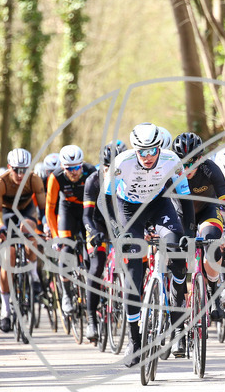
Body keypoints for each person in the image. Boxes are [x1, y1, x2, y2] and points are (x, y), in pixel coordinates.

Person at [107, 123, 194, 364]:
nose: (147, 157)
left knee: (177, 251)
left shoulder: (170, 159)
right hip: (129, 209)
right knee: (134, 272)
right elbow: (106, 199)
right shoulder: (122, 162)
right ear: (135, 150)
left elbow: (185, 197)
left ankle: (177, 327)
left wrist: (189, 230)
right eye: (142, 152)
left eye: (152, 150)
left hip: (158, 205)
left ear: (159, 147)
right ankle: (135, 342)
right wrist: (116, 229)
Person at [175, 132, 225, 324]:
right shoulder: (169, 170)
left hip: (207, 211)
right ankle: (181, 307)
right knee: (177, 259)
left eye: (191, 162)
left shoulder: (210, 169)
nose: (186, 168)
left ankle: (214, 293)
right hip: (181, 215)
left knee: (212, 242)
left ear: (200, 158)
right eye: (182, 162)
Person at [0, 148, 46, 332]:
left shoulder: (34, 179)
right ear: (9, 167)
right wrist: (0, 228)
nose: (21, 174)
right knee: (8, 256)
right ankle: (5, 311)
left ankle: (32, 273)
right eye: (17, 170)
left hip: (26, 211)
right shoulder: (0, 183)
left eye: (25, 169)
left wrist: (42, 226)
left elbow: (43, 209)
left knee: (31, 234)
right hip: (6, 214)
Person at [81, 141, 125, 342]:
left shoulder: (129, 179)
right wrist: (92, 232)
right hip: (97, 224)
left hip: (119, 223)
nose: (110, 172)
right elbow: (86, 215)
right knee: (97, 265)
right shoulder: (93, 181)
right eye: (107, 168)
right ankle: (91, 320)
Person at [45, 145, 97, 316]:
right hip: (66, 210)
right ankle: (67, 295)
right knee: (66, 250)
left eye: (77, 167)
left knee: (92, 255)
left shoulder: (91, 172)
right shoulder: (56, 177)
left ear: (82, 164)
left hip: (87, 211)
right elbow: (49, 210)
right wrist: (54, 236)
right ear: (62, 166)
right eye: (69, 169)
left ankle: (93, 292)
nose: (74, 172)